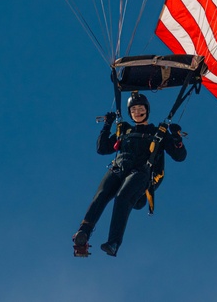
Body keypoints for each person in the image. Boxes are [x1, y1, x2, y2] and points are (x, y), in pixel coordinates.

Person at [73, 91, 187, 256]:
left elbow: (180, 156)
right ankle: (83, 233)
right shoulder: (124, 130)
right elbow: (102, 148)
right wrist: (107, 125)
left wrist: (176, 139)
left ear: (147, 110)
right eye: (133, 110)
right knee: (101, 195)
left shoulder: (158, 133)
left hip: (140, 173)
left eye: (140, 108)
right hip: (119, 168)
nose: (137, 112)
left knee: (122, 197)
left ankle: (113, 242)